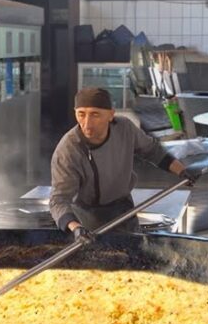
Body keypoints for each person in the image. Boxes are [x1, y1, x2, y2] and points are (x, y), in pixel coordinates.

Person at [50, 87, 193, 241]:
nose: (87, 123)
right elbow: (59, 200)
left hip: (123, 209)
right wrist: (76, 228)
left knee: (133, 254)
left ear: (111, 115)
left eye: (95, 114)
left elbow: (152, 150)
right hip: (86, 217)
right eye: (81, 114)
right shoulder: (68, 150)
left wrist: (182, 171)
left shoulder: (125, 129)